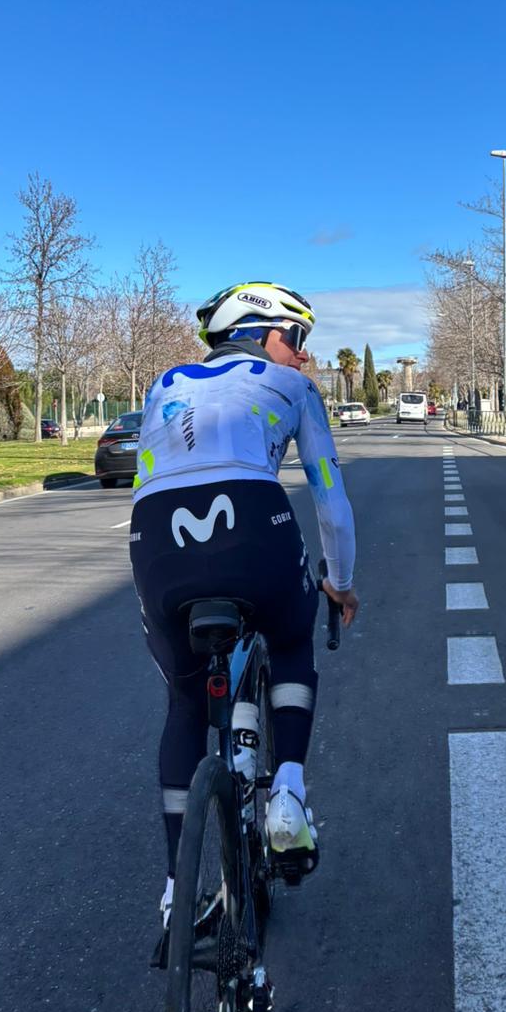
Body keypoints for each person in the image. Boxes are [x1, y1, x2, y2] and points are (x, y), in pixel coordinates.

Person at [129, 281, 359, 946]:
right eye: (300, 340)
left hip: (156, 534)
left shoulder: (164, 382)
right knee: (291, 637)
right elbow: (329, 499)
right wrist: (339, 584)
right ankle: (287, 791)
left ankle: (178, 890)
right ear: (267, 335)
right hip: (253, 520)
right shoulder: (295, 391)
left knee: (182, 698)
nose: (307, 359)